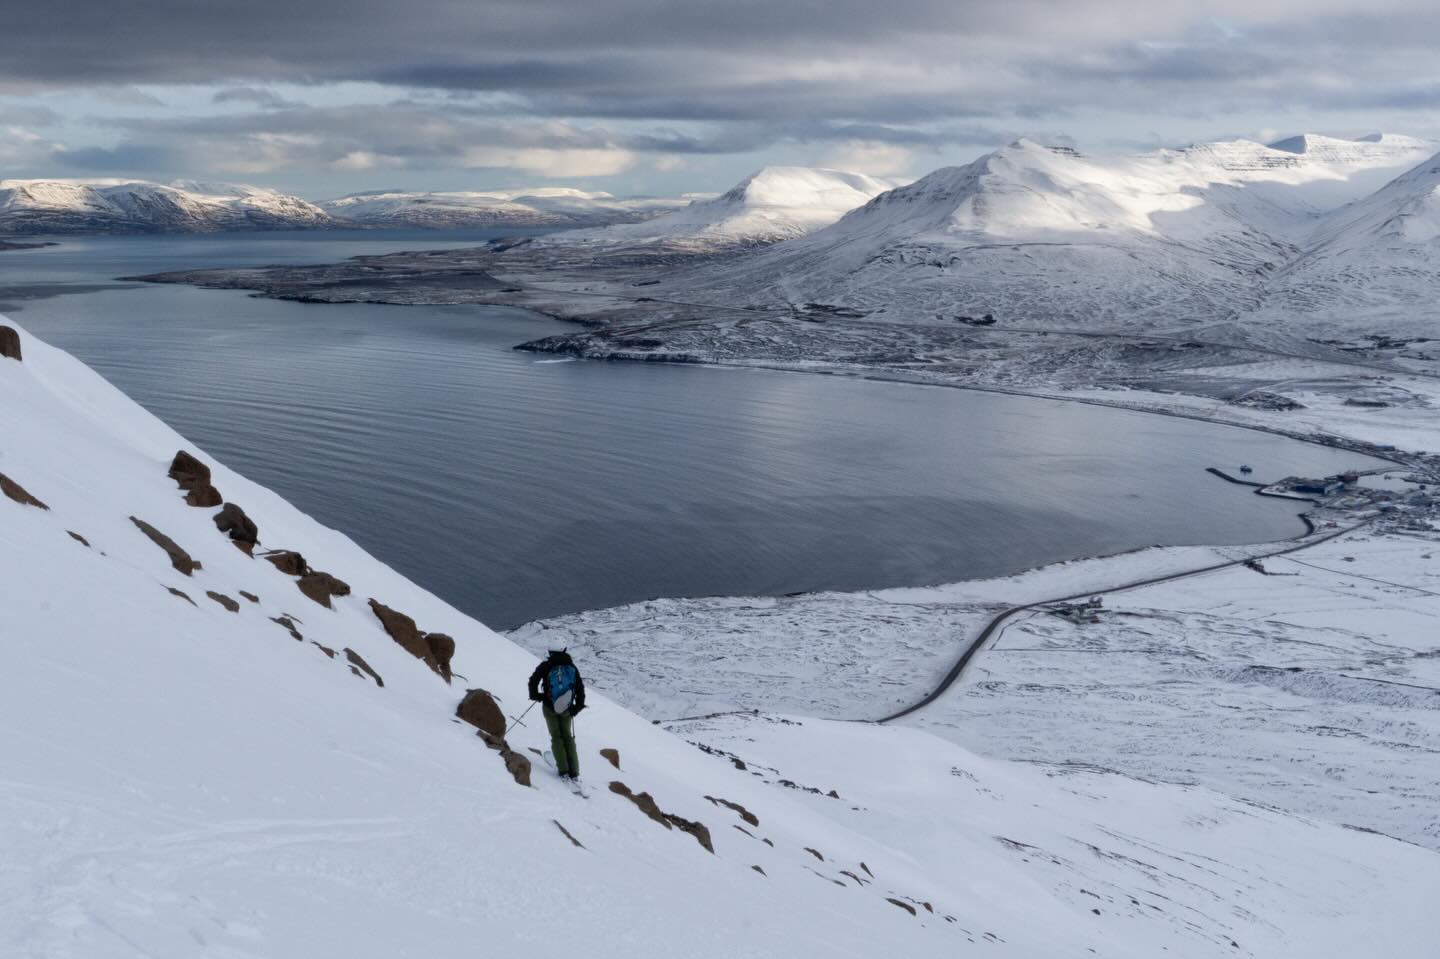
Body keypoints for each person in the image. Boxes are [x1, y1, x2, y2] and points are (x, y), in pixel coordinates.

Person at [528, 648, 586, 779]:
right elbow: (580, 689)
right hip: (567, 709)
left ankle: (563, 769)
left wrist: (537, 696)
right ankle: (574, 771)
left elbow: (533, 681)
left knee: (556, 736)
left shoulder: (546, 665)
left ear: (550, 651)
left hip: (549, 707)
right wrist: (576, 708)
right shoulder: (571, 667)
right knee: (567, 736)